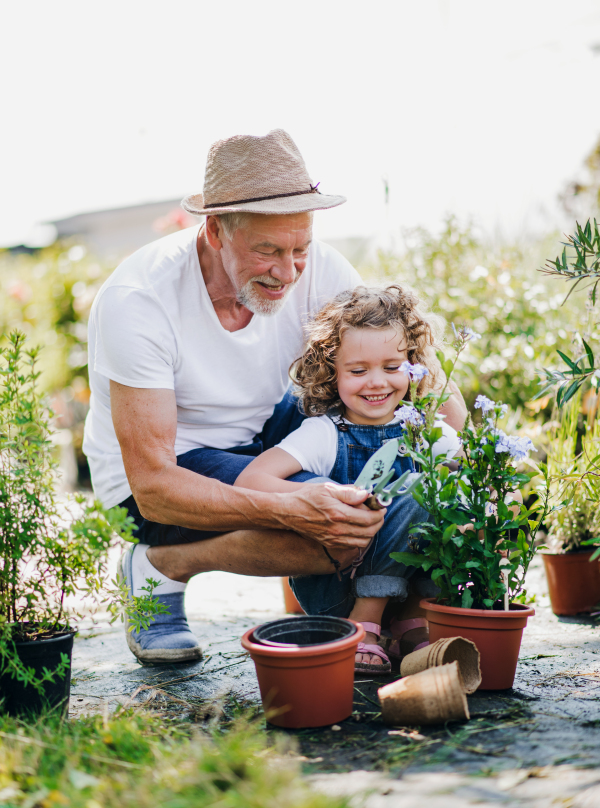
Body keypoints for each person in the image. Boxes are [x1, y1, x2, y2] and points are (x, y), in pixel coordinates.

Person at [83, 129, 467, 664]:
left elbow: (402, 366)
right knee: (330, 530)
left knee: (369, 505)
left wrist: (449, 432)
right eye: (267, 251)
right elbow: (153, 486)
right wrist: (291, 507)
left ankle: (397, 615)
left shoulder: (322, 269)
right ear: (216, 230)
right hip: (170, 471)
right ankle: (162, 566)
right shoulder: (140, 300)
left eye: (299, 249)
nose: (288, 272)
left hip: (267, 438)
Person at [236, 284, 460, 673]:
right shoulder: (325, 433)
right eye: (358, 371)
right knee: (418, 493)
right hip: (335, 589)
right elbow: (251, 480)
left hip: (408, 592)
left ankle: (408, 623)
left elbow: (467, 467)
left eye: (392, 367)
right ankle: (364, 623)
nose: (377, 382)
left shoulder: (423, 429)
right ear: (330, 371)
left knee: (447, 497)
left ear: (412, 365)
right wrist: (316, 492)